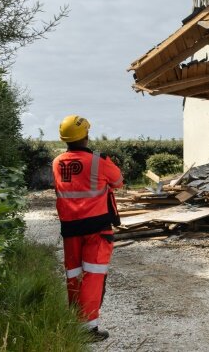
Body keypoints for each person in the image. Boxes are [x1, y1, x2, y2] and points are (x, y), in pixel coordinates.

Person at [52, 115, 123, 342]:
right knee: (93, 276)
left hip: (70, 228)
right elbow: (118, 181)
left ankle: (74, 321)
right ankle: (88, 329)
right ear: (85, 135)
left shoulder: (57, 162)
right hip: (96, 228)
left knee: (74, 274)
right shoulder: (98, 160)